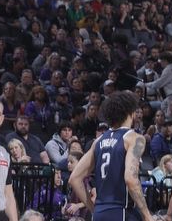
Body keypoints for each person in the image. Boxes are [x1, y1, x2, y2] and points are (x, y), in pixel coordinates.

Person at [68, 91, 164, 221]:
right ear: (131, 112)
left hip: (100, 213)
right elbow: (130, 179)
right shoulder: (134, 138)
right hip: (121, 211)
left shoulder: (98, 141)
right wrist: (147, 215)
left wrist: (93, 209)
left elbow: (74, 178)